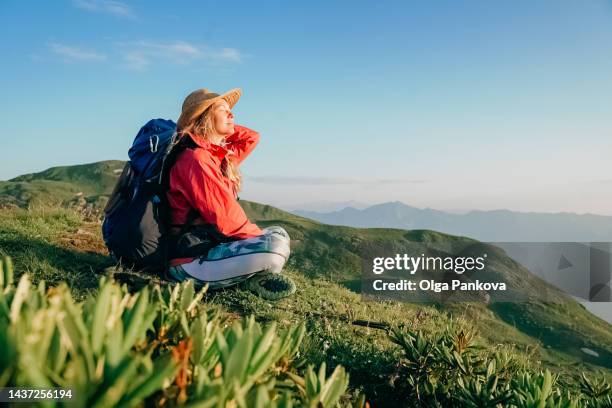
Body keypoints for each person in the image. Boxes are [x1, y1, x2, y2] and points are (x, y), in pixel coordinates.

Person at [164, 87, 292, 291]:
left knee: (279, 233)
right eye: (223, 110)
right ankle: (248, 280)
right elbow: (227, 219)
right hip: (189, 262)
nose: (232, 114)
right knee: (274, 247)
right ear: (205, 117)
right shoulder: (195, 160)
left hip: (211, 246)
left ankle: (246, 275)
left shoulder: (217, 156)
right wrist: (258, 238)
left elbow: (251, 138)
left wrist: (222, 125)